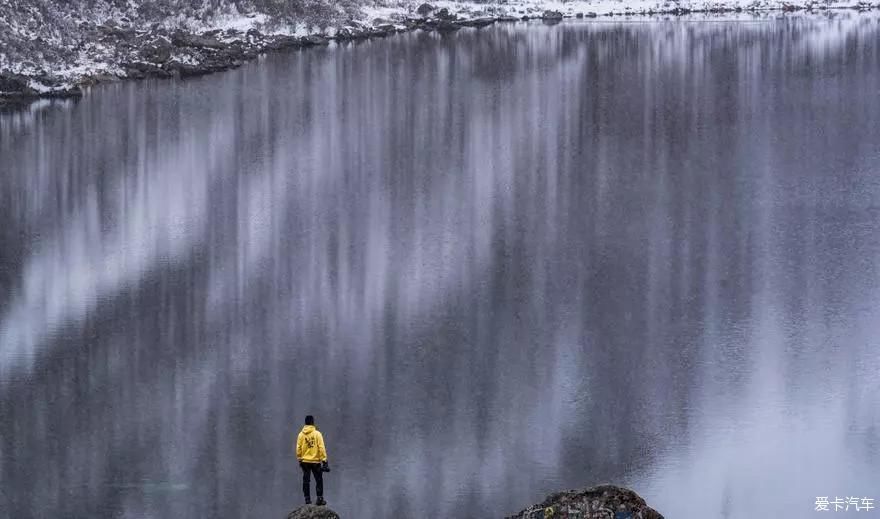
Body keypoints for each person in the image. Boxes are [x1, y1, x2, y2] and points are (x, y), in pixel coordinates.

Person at [296, 415, 328, 505]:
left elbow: (298, 448)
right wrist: (324, 460)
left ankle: (307, 499)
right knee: (319, 480)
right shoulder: (317, 434)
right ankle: (319, 498)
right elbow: (321, 447)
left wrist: (299, 459)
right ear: (313, 422)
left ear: (305, 423)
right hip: (315, 461)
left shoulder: (301, 435)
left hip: (305, 461)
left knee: (306, 481)